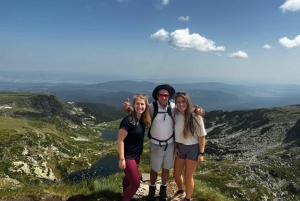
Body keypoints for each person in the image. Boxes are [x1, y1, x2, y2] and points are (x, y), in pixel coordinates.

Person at [123, 84, 176, 201]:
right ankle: (152, 191)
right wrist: (128, 109)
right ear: (157, 96)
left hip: (170, 143)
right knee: (155, 168)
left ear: (169, 96)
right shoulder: (152, 107)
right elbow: (140, 111)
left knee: (166, 168)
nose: (163, 97)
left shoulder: (173, 107)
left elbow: (184, 110)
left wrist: (196, 111)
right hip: (156, 144)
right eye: (161, 95)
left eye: (166, 95)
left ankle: (163, 191)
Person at [172, 91, 207, 201]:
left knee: (188, 176)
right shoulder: (175, 114)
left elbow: (201, 137)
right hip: (180, 147)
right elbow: (176, 133)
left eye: (183, 102)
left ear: (187, 102)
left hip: (193, 148)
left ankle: (187, 198)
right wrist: (176, 147)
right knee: (176, 174)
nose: (181, 104)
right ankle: (181, 190)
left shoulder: (196, 117)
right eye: (178, 102)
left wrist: (201, 153)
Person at [117, 94, 151, 201]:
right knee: (136, 183)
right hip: (128, 156)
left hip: (136, 155)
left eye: (142, 104)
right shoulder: (128, 121)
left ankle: (126, 195)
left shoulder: (141, 118)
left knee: (129, 177)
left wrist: (128, 108)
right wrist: (122, 159)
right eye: (137, 104)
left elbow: (134, 111)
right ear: (133, 104)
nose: (140, 106)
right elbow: (120, 140)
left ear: (146, 106)